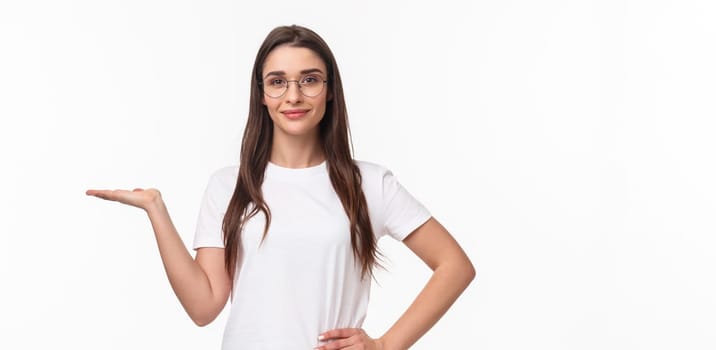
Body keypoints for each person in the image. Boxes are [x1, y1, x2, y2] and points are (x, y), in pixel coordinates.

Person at [85, 24, 475, 350]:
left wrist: (385, 345)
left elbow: (455, 266)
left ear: (330, 89)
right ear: (261, 94)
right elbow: (203, 307)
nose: (293, 95)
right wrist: (157, 210)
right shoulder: (229, 186)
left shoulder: (369, 184)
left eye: (309, 80)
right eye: (278, 82)